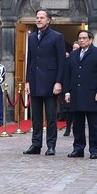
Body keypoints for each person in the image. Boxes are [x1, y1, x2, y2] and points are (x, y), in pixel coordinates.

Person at [23, 9, 65, 156]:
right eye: (37, 17)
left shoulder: (57, 37)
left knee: (51, 117)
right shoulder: (32, 37)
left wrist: (58, 81)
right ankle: (36, 144)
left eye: (42, 18)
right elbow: (30, 61)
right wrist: (27, 81)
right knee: (36, 117)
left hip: (50, 82)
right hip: (34, 81)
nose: (39, 20)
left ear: (48, 20)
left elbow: (61, 61)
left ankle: (51, 145)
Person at [65, 30, 97, 160]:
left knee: (93, 125)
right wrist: (67, 91)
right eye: (79, 38)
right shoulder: (73, 54)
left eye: (84, 38)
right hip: (76, 94)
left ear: (90, 40)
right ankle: (78, 148)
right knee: (77, 125)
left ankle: (94, 150)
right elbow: (68, 74)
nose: (81, 40)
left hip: (92, 94)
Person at [62, 41, 80, 136]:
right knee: (68, 110)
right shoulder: (69, 59)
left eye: (77, 48)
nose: (75, 50)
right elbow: (66, 74)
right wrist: (66, 91)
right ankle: (68, 128)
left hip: (80, 88)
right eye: (74, 48)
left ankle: (77, 128)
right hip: (70, 87)